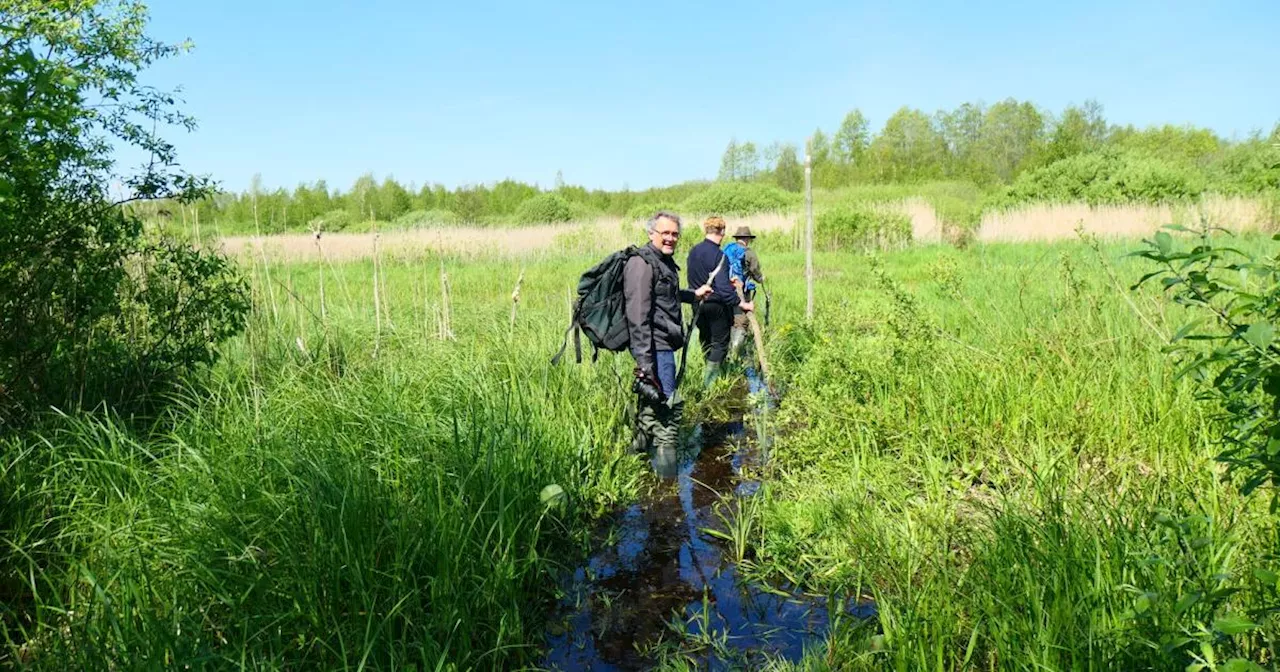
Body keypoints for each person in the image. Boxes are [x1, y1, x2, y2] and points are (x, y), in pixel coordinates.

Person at [623, 210, 713, 463]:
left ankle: (637, 457)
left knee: (652, 406)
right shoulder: (641, 264)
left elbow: (665, 295)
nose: (671, 238)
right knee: (669, 411)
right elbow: (637, 316)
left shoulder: (662, 261)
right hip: (654, 347)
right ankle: (668, 484)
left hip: (662, 344)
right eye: (665, 233)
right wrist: (644, 362)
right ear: (652, 233)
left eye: (675, 234)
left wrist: (693, 295)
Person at [686, 216, 753, 386]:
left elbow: (696, 278)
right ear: (722, 231)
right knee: (720, 344)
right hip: (716, 306)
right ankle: (710, 383)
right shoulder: (719, 255)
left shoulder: (693, 251)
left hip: (697, 303)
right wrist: (743, 303)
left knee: (705, 338)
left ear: (706, 230)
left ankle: (707, 374)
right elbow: (724, 290)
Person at [723, 225, 765, 359]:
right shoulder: (749, 253)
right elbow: (755, 271)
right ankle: (735, 354)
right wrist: (761, 279)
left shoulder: (727, 249)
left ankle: (727, 349)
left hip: (725, 290)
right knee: (741, 321)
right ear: (747, 239)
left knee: (728, 320)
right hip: (740, 291)